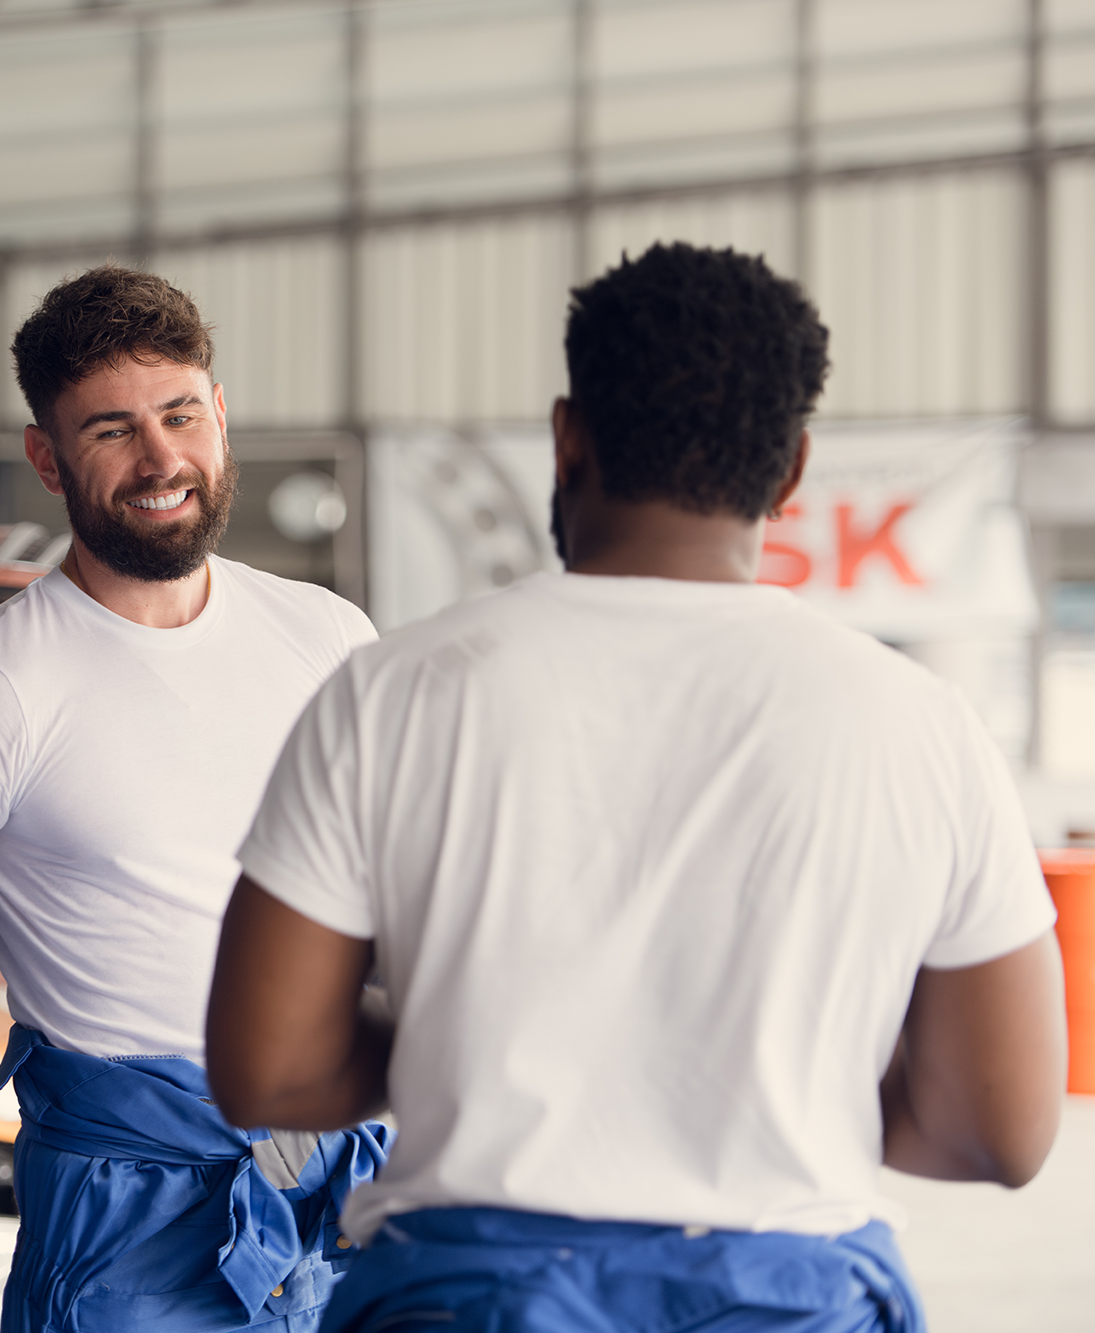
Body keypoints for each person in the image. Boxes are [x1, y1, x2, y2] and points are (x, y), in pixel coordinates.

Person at [206, 242, 1069, 1333]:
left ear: (566, 438)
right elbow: (1000, 1126)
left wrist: (461, 1045)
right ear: (791, 469)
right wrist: (778, 1080)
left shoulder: (393, 690)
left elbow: (268, 1067)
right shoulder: (919, 722)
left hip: (472, 1299)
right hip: (786, 1298)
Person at [0, 264, 387, 1332]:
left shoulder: (328, 636)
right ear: (46, 456)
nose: (159, 459)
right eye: (109, 430)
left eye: (179, 414)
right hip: (131, 1228)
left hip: (338, 1195)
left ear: (219, 416)